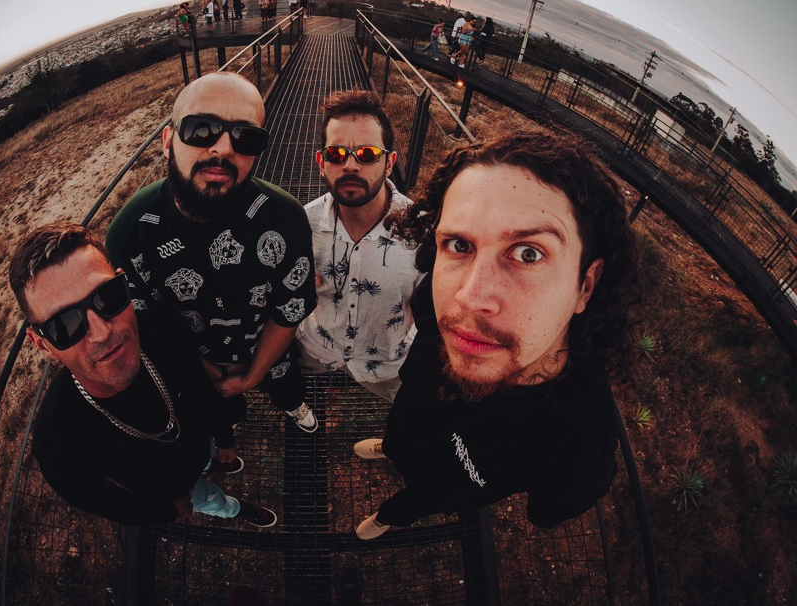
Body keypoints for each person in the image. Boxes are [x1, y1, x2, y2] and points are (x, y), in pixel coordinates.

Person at [353, 126, 640, 539]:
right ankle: (390, 448)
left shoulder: (580, 444)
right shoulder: (438, 298)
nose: (469, 297)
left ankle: (388, 517)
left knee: (416, 501)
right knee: (400, 437)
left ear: (585, 286)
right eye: (459, 245)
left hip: (438, 491)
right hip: (406, 425)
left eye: (528, 253)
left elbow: (547, 511)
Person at [9, 221, 277, 528]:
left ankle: (215, 462)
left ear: (123, 284)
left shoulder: (162, 328)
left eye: (108, 296)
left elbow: (202, 390)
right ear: (42, 344)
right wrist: (165, 511)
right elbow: (104, 501)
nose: (102, 332)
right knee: (211, 501)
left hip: (201, 444)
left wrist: (224, 438)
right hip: (174, 489)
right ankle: (235, 509)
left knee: (206, 458)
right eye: (64, 325)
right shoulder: (58, 446)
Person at [106, 72, 319, 436]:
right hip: (191, 359)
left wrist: (253, 375)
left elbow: (289, 310)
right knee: (218, 405)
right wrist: (203, 368)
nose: (223, 149)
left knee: (286, 384)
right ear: (168, 140)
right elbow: (148, 323)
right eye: (202, 129)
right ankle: (228, 424)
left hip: (268, 349)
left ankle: (291, 403)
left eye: (246, 137)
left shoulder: (285, 220)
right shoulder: (131, 234)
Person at [296, 90, 423, 402]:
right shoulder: (301, 225)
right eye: (336, 154)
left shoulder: (423, 233)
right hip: (316, 349)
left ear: (389, 163)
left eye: (366, 154)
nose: (350, 165)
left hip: (388, 366)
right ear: (321, 163)